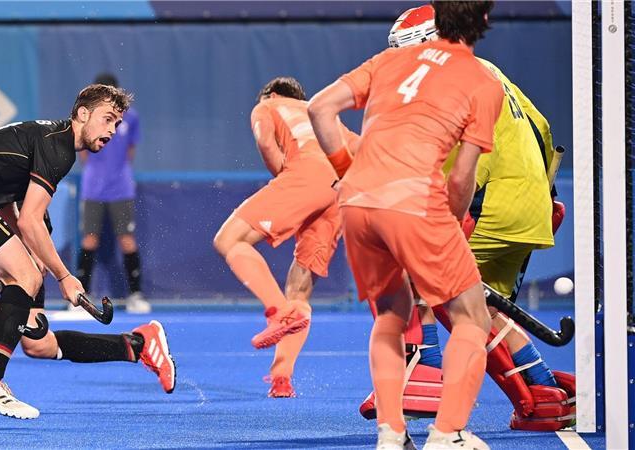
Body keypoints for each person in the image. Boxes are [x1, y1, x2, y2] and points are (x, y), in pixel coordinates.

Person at [0, 84, 175, 426]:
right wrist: (63, 275)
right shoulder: (58, 147)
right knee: (23, 277)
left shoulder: (40, 138)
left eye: (117, 124)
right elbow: (29, 220)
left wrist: (33, 266)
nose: (112, 131)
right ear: (82, 114)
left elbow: (16, 214)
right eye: (107, 120)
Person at [358, 4, 576, 433]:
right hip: (528, 206)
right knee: (473, 310)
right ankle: (542, 395)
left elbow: (450, 171)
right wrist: (545, 199)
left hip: (487, 204)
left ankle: (424, 369)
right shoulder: (489, 71)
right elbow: (542, 129)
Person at [308, 2, 500, 449]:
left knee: (393, 314)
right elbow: (460, 178)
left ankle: (391, 434)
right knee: (472, 317)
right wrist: (447, 225)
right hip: (416, 202)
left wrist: (346, 169)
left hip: (355, 201)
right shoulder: (482, 82)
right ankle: (447, 434)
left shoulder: (388, 59)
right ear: (483, 21)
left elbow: (319, 109)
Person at [213, 77, 354, 387]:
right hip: (339, 192)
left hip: (305, 175)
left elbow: (266, 141)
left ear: (273, 94)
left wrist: (284, 173)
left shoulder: (268, 105)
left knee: (228, 239)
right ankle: (281, 377)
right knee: (300, 291)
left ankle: (279, 313)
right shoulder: (323, 113)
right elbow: (361, 154)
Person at [76, 73, 151, 314]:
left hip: (121, 189)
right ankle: (81, 297)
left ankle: (136, 296)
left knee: (127, 240)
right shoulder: (89, 116)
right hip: (93, 188)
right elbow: (84, 150)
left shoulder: (132, 118)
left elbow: (129, 151)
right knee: (89, 239)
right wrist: (97, 172)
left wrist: (117, 173)